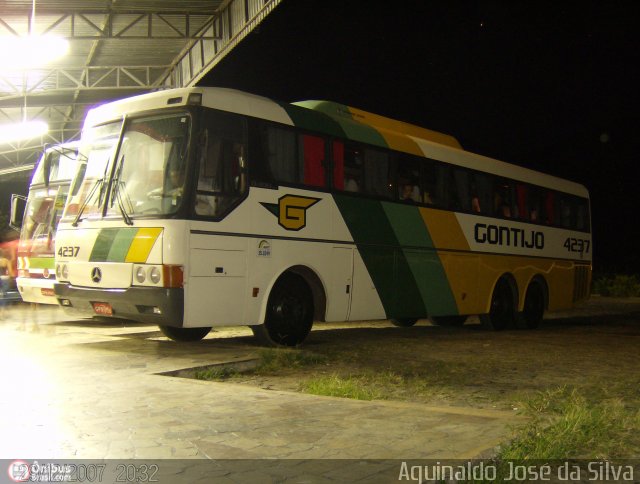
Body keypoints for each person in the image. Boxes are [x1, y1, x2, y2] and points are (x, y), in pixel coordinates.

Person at [0, 249, 11, 319]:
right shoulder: (6, 261)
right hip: (4, 279)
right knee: (4, 295)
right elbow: (10, 271)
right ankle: (1, 313)